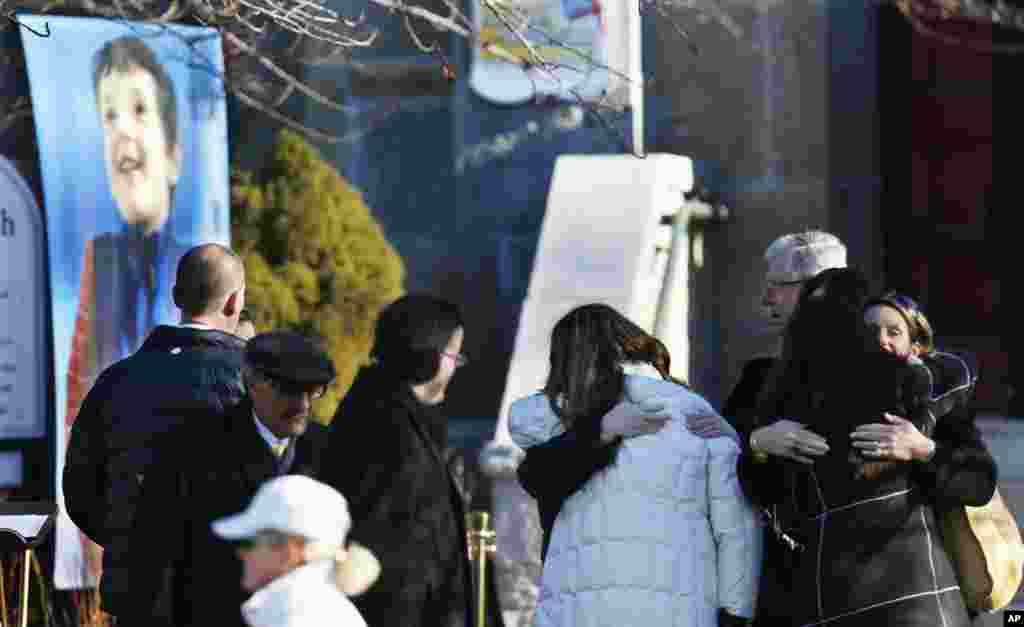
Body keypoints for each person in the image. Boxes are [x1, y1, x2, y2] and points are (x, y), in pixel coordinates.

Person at [740, 268, 996, 627]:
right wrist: (926, 450)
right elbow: (979, 481)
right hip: (915, 601)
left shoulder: (782, 398)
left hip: (841, 603)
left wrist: (758, 444)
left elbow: (757, 492)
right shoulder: (925, 386)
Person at [509, 304, 761, 627]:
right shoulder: (698, 417)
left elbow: (534, 473)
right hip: (681, 611)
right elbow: (736, 527)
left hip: (578, 610)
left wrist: (598, 430)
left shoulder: (556, 422)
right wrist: (736, 615)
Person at [63, 242, 248, 615]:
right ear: (235, 303)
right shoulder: (255, 381)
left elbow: (81, 490)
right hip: (223, 592)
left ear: (177, 295)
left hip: (135, 593)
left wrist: (128, 539)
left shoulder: (116, 381)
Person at [115, 330, 336, 626]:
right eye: (291, 391)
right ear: (253, 382)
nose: (304, 406)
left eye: (313, 392)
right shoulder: (191, 451)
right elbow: (155, 563)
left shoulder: (331, 451)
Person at [321, 293, 504, 627]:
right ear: (429, 355)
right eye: (453, 354)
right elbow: (386, 542)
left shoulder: (393, 416)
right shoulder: (388, 430)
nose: (456, 365)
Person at [65, 36, 191, 446]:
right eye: (109, 115)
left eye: (139, 110)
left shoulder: (196, 261)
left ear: (173, 155)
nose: (122, 130)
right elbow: (77, 381)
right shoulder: (96, 260)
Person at [211, 475, 381, 627]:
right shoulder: (313, 610)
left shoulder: (295, 616)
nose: (242, 553)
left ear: (290, 551)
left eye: (250, 543)